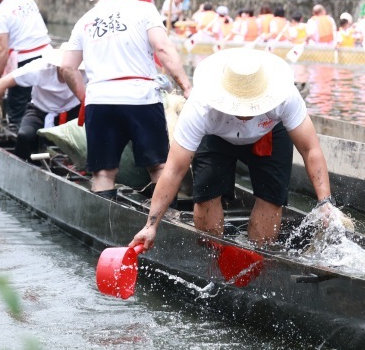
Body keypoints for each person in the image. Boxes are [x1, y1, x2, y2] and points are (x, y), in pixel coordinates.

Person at [128, 49, 336, 250]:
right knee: (207, 194)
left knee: (272, 198)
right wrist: (151, 225)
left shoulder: (285, 97)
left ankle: (258, 256)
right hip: (216, 136)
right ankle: (212, 255)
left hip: (268, 134)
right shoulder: (201, 108)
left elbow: (310, 149)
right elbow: (174, 170)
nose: (244, 114)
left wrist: (324, 201)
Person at [60, 0, 192, 196]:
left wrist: (85, 98)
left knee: (103, 174)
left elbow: (67, 67)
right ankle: (162, 216)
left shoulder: (86, 18)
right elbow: (162, 48)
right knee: (158, 167)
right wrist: (187, 87)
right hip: (141, 99)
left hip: (100, 101)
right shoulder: (145, 10)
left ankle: (104, 216)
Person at [0, 44, 82, 159]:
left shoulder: (85, 73)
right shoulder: (40, 68)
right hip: (40, 110)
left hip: (73, 113)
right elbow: (0, 84)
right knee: (24, 135)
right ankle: (22, 161)